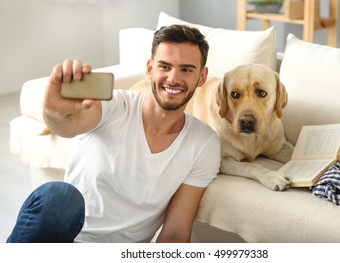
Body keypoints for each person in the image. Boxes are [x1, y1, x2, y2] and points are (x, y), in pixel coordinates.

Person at [7, 24, 221, 243]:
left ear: (202, 77)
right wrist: (54, 112)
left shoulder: (203, 143)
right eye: (164, 66)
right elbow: (68, 126)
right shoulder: (115, 105)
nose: (173, 78)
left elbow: (175, 234)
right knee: (60, 197)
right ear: (150, 69)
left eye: (186, 69)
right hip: (68, 242)